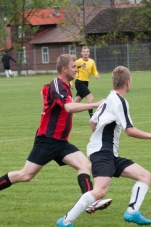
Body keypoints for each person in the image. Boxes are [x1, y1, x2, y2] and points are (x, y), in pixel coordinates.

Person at [57, 66, 151, 227]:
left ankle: (132, 211)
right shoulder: (120, 101)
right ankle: (65, 221)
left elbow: (92, 122)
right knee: (100, 191)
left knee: (145, 176)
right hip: (102, 152)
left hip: (107, 153)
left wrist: (101, 139)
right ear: (128, 83)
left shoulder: (108, 98)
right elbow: (129, 130)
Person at [0, 54, 112, 214]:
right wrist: (95, 104)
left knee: (85, 165)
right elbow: (68, 107)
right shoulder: (58, 85)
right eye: (74, 67)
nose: (76, 69)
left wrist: (46, 106)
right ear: (64, 69)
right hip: (47, 141)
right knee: (25, 175)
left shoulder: (62, 85)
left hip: (60, 142)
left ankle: (90, 202)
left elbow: (44, 91)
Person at [74, 46, 99, 118]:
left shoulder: (92, 61)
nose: (86, 53)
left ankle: (66, 114)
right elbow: (72, 70)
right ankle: (92, 116)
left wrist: (96, 75)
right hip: (79, 82)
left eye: (87, 51)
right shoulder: (78, 62)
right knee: (91, 98)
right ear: (81, 53)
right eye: (84, 52)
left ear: (89, 53)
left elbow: (94, 70)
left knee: (76, 102)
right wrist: (70, 83)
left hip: (85, 83)